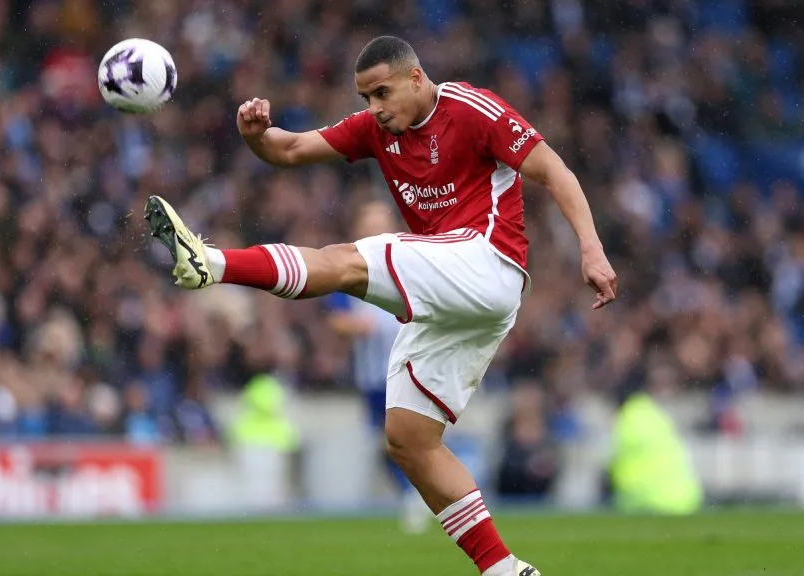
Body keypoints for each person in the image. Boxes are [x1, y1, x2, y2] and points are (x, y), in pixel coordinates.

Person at [145, 35, 617, 576]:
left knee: (346, 262)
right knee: (409, 440)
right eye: (366, 97)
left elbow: (554, 169)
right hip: (453, 299)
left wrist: (591, 247)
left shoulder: (473, 109)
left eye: (381, 93)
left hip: (487, 263)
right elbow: (289, 149)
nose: (374, 108)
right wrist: (256, 136)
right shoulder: (377, 128)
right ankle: (505, 569)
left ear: (416, 78)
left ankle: (211, 263)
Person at [325, 200, 430, 533]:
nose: (376, 230)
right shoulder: (349, 266)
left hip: (411, 367)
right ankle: (415, 494)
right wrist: (358, 326)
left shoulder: (408, 261)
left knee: (408, 438)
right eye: (370, 224)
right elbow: (337, 318)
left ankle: (422, 495)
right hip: (374, 374)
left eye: (381, 223)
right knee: (387, 442)